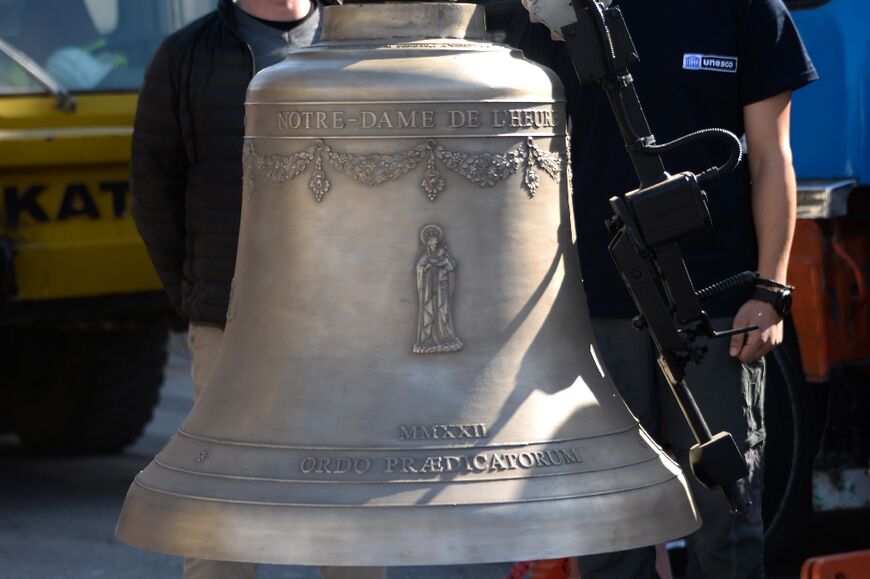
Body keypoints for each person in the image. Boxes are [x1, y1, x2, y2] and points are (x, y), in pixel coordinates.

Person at [514, 1, 816, 577]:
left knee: (725, 522)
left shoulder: (750, 11)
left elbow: (773, 160)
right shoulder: (563, 10)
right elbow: (534, 158)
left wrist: (771, 290)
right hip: (594, 311)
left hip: (721, 309)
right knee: (609, 530)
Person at [130, 1, 386, 578]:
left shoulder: (362, 46)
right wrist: (199, 298)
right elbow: (153, 188)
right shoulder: (186, 56)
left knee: (352, 517)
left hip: (349, 332)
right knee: (222, 517)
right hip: (229, 325)